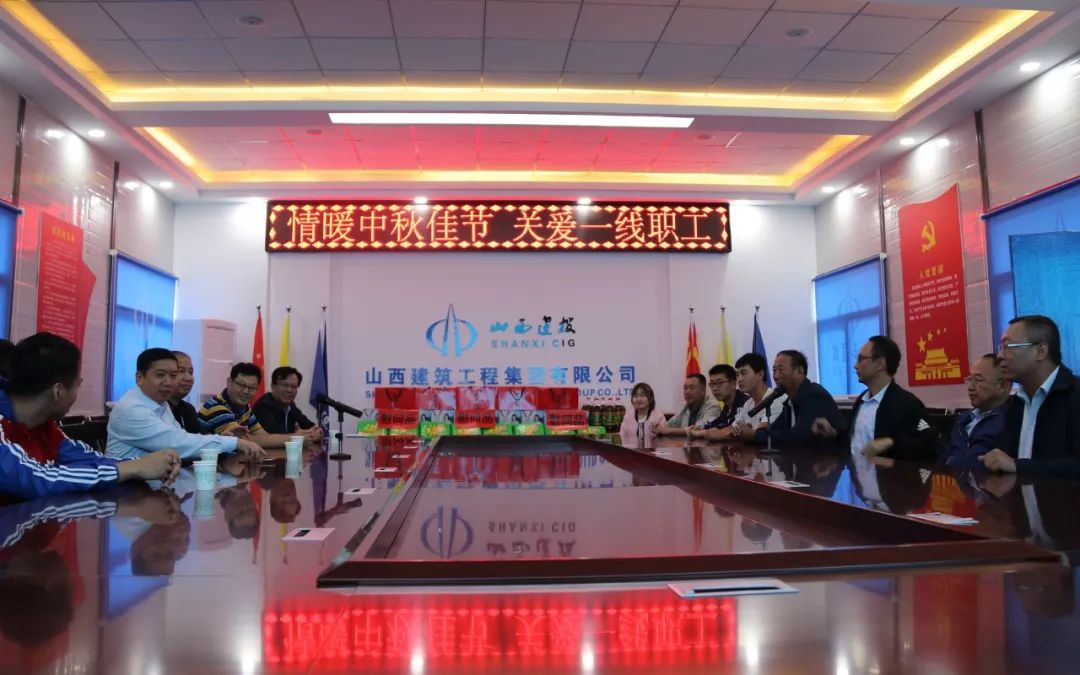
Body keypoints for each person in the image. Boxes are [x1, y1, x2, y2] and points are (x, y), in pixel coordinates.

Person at [0, 334, 181, 499]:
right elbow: (38, 479)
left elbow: (92, 460)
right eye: (78, 385)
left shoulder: (44, 427)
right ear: (58, 392)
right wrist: (134, 468)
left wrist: (148, 463)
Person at [107, 348, 264, 461]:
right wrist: (234, 443)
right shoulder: (132, 409)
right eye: (160, 375)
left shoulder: (160, 403)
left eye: (173, 375)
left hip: (153, 482)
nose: (168, 382)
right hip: (125, 490)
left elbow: (183, 437)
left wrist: (220, 438)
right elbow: (177, 444)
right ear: (139, 378)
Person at [982, 315, 1080, 478]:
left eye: (1007, 346)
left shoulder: (1074, 395)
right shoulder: (1016, 403)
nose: (999, 356)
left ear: (1040, 351)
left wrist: (1018, 466)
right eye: (1001, 347)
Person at [813, 336, 938, 460]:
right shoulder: (861, 401)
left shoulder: (907, 404)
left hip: (887, 473)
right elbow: (853, 444)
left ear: (879, 364)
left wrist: (891, 443)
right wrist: (832, 433)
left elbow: (931, 446)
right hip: (856, 471)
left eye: (861, 359)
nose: (855, 365)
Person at [735, 350, 845, 447]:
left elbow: (798, 436)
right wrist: (750, 432)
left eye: (781, 370)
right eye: (774, 370)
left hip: (828, 461)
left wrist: (754, 435)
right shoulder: (790, 400)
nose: (776, 376)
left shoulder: (814, 395)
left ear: (800, 371)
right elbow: (774, 430)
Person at [198, 363, 293, 449]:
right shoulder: (217, 407)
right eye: (241, 385)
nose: (246, 391)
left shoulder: (245, 408)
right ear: (229, 382)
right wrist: (295, 438)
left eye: (252, 388)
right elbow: (241, 440)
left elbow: (263, 436)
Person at [943, 354, 1011, 465]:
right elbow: (945, 457)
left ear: (1003, 385)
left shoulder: (1012, 420)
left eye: (978, 380)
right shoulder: (963, 419)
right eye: (970, 379)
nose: (970, 387)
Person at [251, 366, 322, 441]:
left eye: (293, 386)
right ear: (272, 386)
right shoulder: (263, 406)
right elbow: (275, 438)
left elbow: (312, 428)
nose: (289, 390)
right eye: (284, 385)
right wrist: (301, 436)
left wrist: (316, 432)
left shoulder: (291, 406)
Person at [693, 364, 750, 441]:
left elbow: (732, 429)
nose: (715, 388)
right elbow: (717, 424)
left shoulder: (745, 403)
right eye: (712, 384)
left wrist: (700, 433)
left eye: (719, 383)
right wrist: (699, 428)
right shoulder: (726, 407)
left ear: (733, 384)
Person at [654, 374, 722, 435]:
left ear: (703, 391)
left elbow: (701, 428)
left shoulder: (713, 406)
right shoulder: (684, 405)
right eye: (685, 388)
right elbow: (670, 424)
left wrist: (669, 431)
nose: (687, 392)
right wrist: (659, 427)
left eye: (692, 388)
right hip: (686, 444)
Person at [168, 351, 203, 434]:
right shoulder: (158, 408)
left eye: (191, 372)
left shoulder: (188, 409)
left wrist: (221, 437)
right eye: (181, 371)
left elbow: (200, 437)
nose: (188, 378)